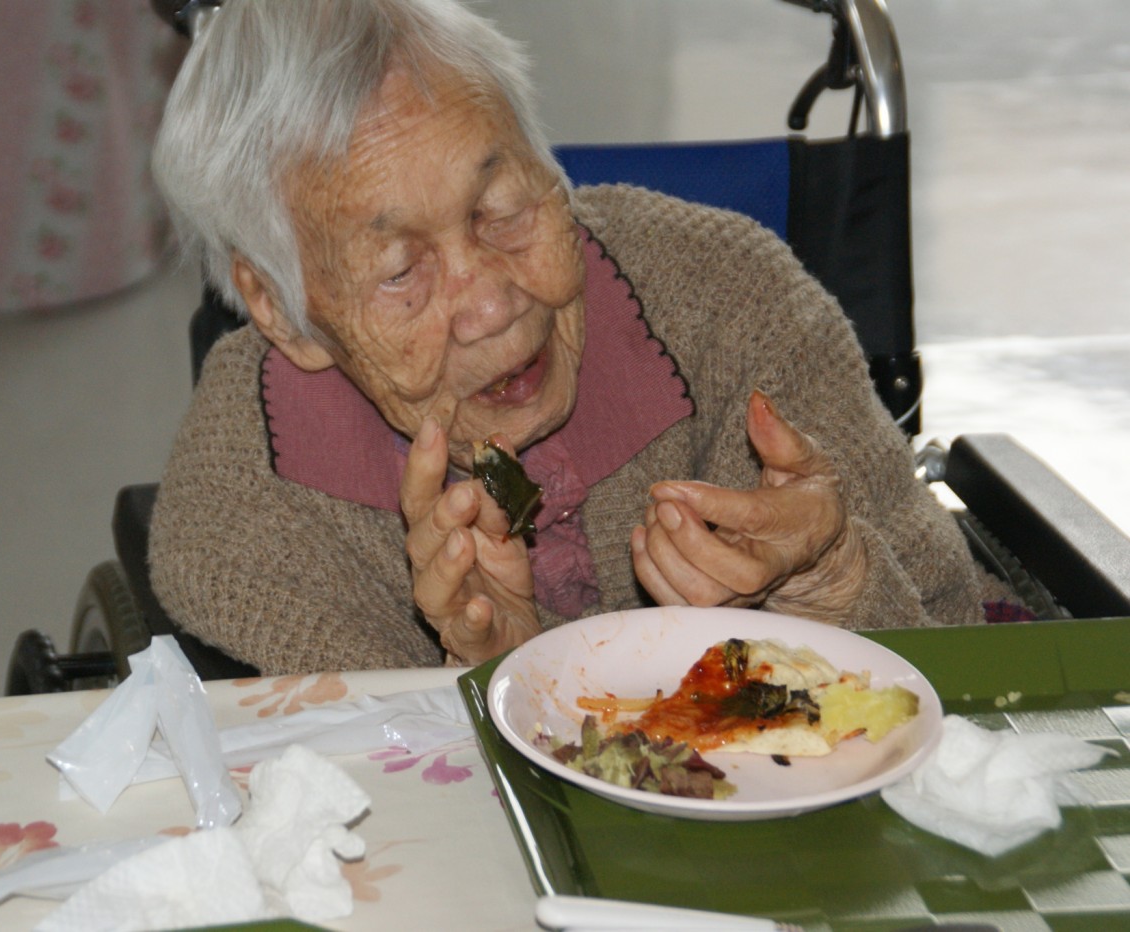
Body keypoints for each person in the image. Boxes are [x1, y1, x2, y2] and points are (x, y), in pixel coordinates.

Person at [147, 0, 1009, 674]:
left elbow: (965, 670)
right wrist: (493, 682)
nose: (491, 304)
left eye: (502, 209)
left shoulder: (732, 298)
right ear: (279, 307)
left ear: (545, 163)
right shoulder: (244, 512)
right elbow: (394, 831)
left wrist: (833, 587)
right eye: (401, 270)